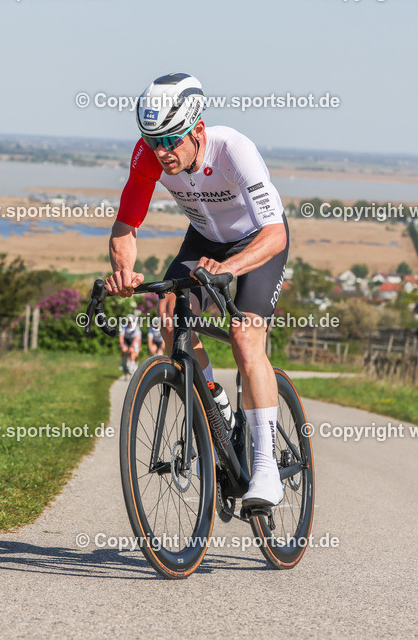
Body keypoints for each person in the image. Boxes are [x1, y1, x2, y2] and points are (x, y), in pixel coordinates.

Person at [104, 73, 290, 507]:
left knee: (246, 337)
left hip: (257, 242)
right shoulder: (149, 155)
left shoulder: (233, 150)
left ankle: (265, 470)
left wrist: (228, 268)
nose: (161, 153)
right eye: (153, 142)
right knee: (170, 318)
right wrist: (125, 272)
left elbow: (276, 235)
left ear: (198, 131)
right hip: (204, 241)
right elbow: (125, 224)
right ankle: (216, 408)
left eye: (171, 140)